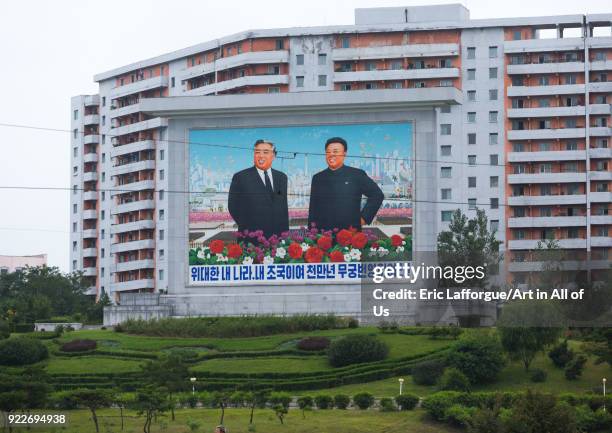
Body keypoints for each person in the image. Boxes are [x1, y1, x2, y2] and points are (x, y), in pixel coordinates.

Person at [308, 137, 384, 231]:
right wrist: (311, 233)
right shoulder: (317, 178)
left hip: (350, 233)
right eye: (328, 152)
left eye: (335, 151)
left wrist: (364, 218)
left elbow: (377, 195)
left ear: (344, 154)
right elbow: (313, 209)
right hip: (323, 234)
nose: (331, 155)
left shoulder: (357, 174)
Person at [228, 139, 289, 239]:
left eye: (265, 152)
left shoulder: (282, 177)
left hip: (277, 239)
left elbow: (283, 208)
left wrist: (285, 236)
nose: (261, 155)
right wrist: (248, 228)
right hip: (251, 238)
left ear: (273, 156)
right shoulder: (240, 177)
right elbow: (233, 207)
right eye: (257, 152)